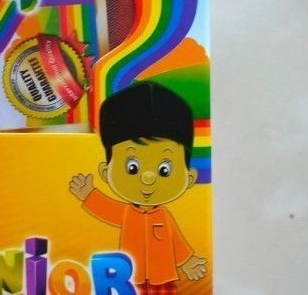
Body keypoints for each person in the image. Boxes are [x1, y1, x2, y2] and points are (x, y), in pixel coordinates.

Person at [69, 81, 207, 293]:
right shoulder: (127, 213)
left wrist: (187, 260)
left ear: (189, 178)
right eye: (132, 167)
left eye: (164, 170)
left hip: (162, 277)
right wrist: (88, 195)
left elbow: (176, 241)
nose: (148, 178)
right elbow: (107, 209)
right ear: (106, 172)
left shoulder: (164, 216)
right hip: (130, 277)